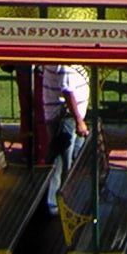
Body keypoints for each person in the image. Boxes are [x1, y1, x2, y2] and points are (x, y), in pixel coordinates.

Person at [42, 61, 90, 211]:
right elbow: (67, 91)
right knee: (61, 162)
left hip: (70, 119)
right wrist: (79, 120)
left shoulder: (69, 63)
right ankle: (53, 204)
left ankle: (65, 199)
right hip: (65, 119)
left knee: (71, 160)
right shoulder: (64, 65)